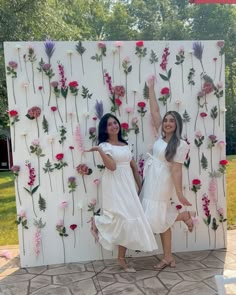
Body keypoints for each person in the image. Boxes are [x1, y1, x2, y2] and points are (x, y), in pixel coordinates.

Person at [85, 113, 158, 272]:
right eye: (109, 124)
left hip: (128, 185)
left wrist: (140, 187)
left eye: (115, 123)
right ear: (105, 129)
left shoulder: (125, 145)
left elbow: (133, 167)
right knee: (121, 217)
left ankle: (121, 259)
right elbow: (112, 166)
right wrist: (99, 150)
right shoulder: (105, 146)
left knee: (128, 221)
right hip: (113, 185)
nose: (113, 126)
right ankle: (97, 222)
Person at [141, 76, 195, 270]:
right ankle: (168, 257)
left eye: (172, 121)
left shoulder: (180, 145)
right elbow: (155, 110)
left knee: (155, 218)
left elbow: (177, 170)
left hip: (163, 181)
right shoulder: (160, 137)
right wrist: (151, 88)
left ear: (177, 124)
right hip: (151, 178)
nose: (167, 123)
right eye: (166, 120)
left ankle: (183, 216)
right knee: (160, 218)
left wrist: (180, 194)